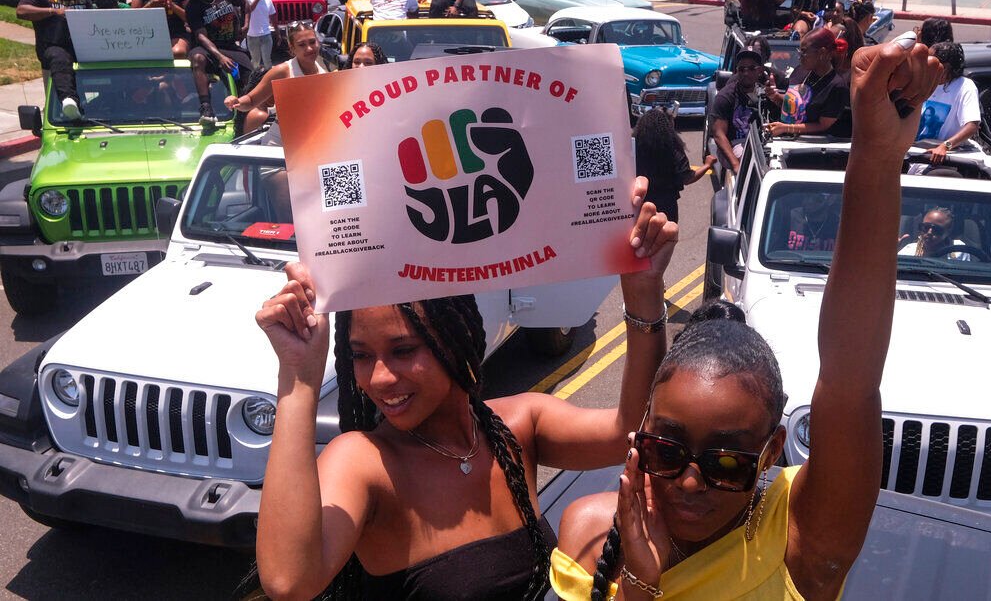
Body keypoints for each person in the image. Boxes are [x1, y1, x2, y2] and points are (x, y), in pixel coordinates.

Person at [549, 35, 945, 601]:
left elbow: (850, 380)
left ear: (770, 451)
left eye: (728, 463)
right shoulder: (589, 534)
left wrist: (877, 156)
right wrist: (639, 579)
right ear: (642, 431)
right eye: (666, 451)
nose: (690, 482)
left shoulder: (800, 539)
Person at [246, 177, 677, 600]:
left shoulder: (517, 426)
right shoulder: (366, 462)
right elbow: (290, 580)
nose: (378, 377)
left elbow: (633, 433)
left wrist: (643, 291)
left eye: (403, 350)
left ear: (456, 338)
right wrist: (299, 377)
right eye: (360, 355)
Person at [225, 21, 326, 146]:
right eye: (302, 45)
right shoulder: (282, 71)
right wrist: (237, 102)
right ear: (292, 48)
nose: (309, 48)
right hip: (279, 143)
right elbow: (251, 100)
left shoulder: (324, 74)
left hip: (310, 143)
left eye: (312, 42)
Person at [16, 0, 92, 120]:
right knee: (60, 58)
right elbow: (21, 11)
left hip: (81, 48)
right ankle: (68, 101)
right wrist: (53, 11)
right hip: (53, 47)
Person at [181, 0, 252, 125]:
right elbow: (201, 36)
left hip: (230, 46)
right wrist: (220, 57)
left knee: (250, 75)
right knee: (197, 58)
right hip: (208, 48)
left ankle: (247, 110)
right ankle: (206, 108)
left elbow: (245, 4)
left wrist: (246, 25)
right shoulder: (192, 8)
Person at [633, 109, 715, 223]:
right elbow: (688, 178)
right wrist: (707, 165)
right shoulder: (672, 148)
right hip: (667, 204)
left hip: (640, 204)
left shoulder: (634, 148)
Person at [765, 27, 849, 138]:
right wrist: (775, 97)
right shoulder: (800, 71)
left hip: (812, 145)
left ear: (822, 53)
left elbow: (822, 125)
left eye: (804, 52)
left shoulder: (837, 86)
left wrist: (786, 128)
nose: (799, 57)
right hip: (784, 139)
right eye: (799, 52)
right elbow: (793, 105)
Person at [915, 42, 980, 163]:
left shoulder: (965, 87)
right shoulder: (924, 81)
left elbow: (972, 126)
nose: (926, 64)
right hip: (913, 149)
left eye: (930, 61)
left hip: (939, 155)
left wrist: (945, 146)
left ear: (945, 67)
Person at [709, 46, 767, 172]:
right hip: (734, 144)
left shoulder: (766, 94)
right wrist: (736, 165)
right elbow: (719, 134)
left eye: (751, 68)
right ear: (737, 71)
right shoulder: (725, 96)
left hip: (761, 142)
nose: (746, 73)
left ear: (760, 70)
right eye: (741, 69)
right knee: (750, 160)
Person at [898, 207, 970, 260]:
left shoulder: (958, 250)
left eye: (937, 229)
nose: (929, 232)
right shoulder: (909, 250)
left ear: (948, 232)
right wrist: (893, 251)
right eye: (925, 227)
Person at [242, 0, 278, 70]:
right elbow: (249, 10)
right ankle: (256, 77)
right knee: (255, 61)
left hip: (266, 35)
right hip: (252, 35)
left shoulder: (268, 0)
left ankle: (269, 77)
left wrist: (277, 33)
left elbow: (273, 17)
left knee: (267, 60)